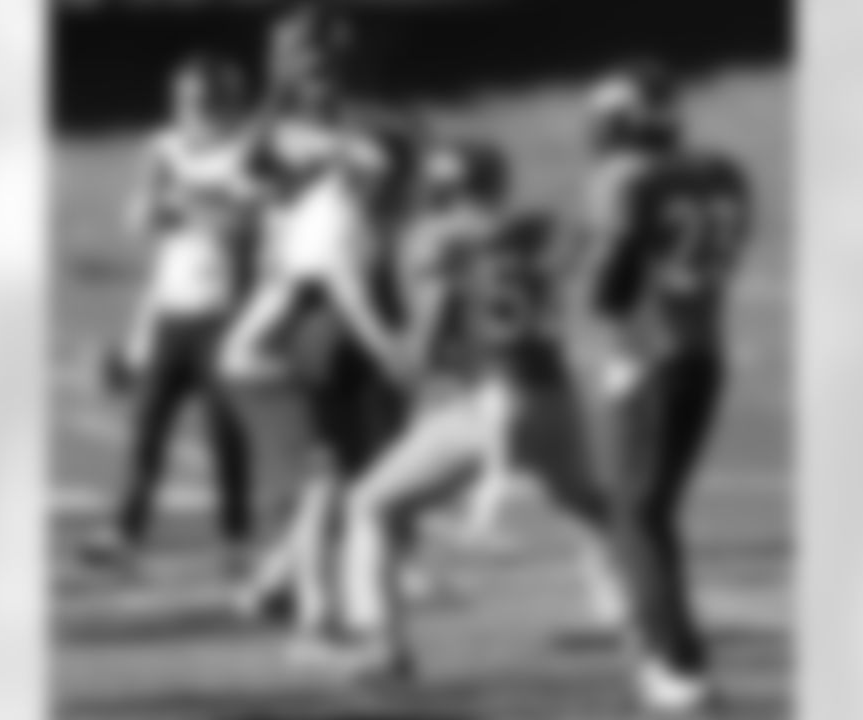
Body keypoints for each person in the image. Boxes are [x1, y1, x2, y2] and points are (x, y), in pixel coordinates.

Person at [315, 141, 610, 679]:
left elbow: (423, 344)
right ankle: (638, 611)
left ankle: (384, 645)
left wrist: (379, 332)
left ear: (443, 186)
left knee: (370, 505)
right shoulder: (530, 229)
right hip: (554, 392)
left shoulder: (432, 238)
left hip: (488, 401)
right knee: (594, 506)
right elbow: (580, 241)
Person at [568, 63, 752, 715]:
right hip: (704, 351)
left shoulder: (622, 178)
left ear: (621, 121)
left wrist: (588, 287)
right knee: (652, 512)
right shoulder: (722, 172)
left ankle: (674, 663)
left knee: (635, 515)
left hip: (644, 358)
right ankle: (676, 653)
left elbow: (608, 284)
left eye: (603, 118)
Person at [220, 51, 417, 640]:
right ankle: (315, 613)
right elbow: (346, 289)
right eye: (398, 174)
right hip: (264, 362)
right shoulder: (340, 210)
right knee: (324, 483)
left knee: (342, 482)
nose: (404, 187)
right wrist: (390, 352)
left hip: (290, 354)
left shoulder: (347, 205)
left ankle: (275, 590)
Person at [81, 57, 262, 570]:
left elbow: (243, 224)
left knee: (226, 430)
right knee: (148, 425)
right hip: (170, 307)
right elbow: (138, 222)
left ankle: (236, 537)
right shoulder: (163, 149)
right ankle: (126, 531)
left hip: (225, 310)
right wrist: (165, 201)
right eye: (181, 98)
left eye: (198, 99)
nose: (186, 109)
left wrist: (188, 202)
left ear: (223, 101)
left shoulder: (248, 151)